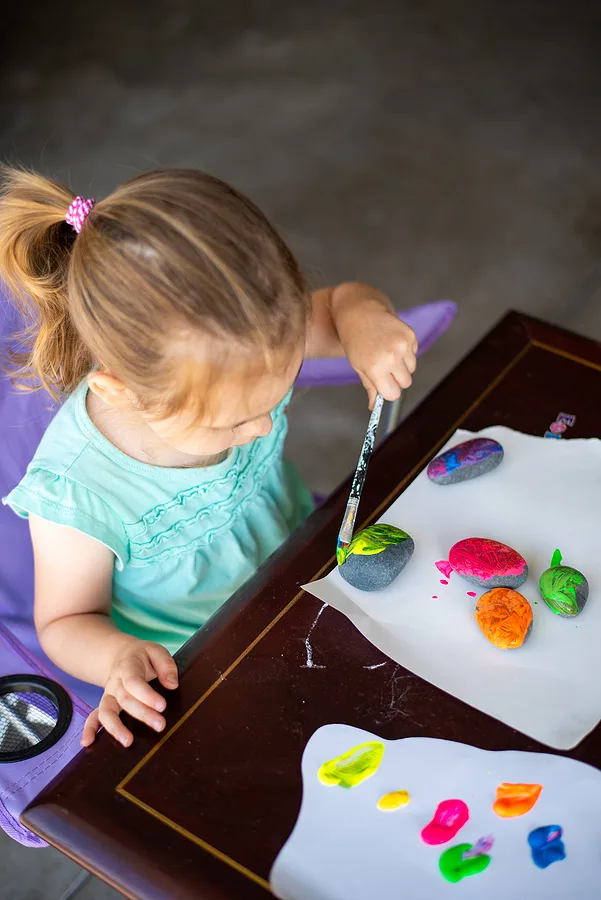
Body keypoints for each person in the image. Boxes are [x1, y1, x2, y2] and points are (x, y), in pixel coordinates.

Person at [0, 166, 417, 746]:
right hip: (202, 661)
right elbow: (66, 621)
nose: (266, 424)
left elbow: (341, 304)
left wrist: (362, 318)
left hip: (303, 561)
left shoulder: (249, 345)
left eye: (284, 382)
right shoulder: (76, 495)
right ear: (120, 389)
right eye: (234, 420)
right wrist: (118, 657)